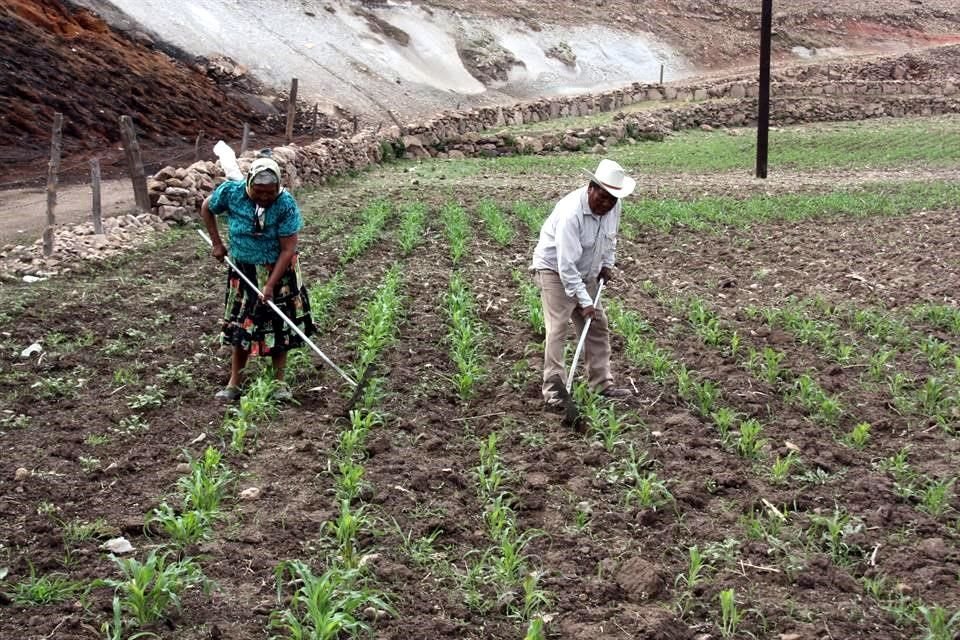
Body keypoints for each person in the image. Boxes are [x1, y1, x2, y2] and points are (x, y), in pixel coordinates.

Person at [200, 154, 315, 402]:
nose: (264, 197)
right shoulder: (232, 192)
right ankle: (234, 383)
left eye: (269, 192)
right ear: (249, 183)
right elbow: (207, 207)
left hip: (279, 271)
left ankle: (279, 384)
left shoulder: (285, 204)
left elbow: (287, 249)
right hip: (243, 270)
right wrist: (217, 243)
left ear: (278, 188)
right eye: (258, 191)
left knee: (278, 326)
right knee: (242, 325)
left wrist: (271, 284)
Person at [530, 158, 635, 408]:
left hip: (585, 272)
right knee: (558, 327)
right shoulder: (571, 214)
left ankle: (601, 384)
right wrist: (584, 301)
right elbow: (566, 266)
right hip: (554, 270)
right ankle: (555, 391)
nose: (607, 203)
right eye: (603, 196)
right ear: (591, 188)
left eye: (612, 199)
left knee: (597, 325)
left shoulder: (613, 207)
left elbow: (610, 239)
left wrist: (607, 264)